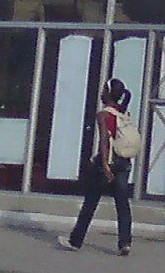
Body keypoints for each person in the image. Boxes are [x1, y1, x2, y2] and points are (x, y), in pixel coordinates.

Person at [58, 78, 136, 256]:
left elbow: (104, 140)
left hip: (107, 165)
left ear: (107, 93)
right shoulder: (123, 113)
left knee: (90, 204)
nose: (101, 92)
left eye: (103, 90)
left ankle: (75, 241)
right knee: (123, 205)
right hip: (123, 164)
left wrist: (105, 166)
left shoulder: (104, 115)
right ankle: (125, 243)